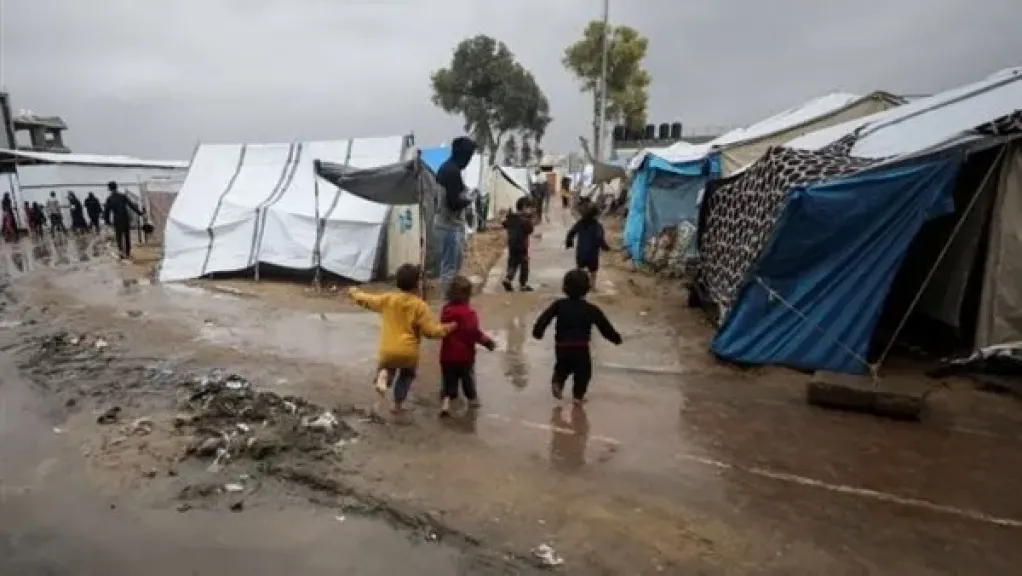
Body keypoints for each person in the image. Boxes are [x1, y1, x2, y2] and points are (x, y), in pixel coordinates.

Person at [347, 263, 456, 414]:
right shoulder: (420, 306)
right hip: (408, 353)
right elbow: (430, 332)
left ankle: (384, 376)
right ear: (417, 284)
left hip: (388, 350)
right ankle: (397, 405)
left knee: (387, 367)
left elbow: (367, 300)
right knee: (406, 375)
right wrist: (448, 328)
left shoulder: (388, 299)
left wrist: (354, 292)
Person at [532, 269, 622, 405]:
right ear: (587, 289)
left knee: (562, 367)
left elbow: (544, 319)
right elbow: (605, 327)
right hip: (581, 347)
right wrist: (616, 339)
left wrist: (538, 332)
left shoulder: (559, 305)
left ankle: (558, 382)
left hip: (562, 346)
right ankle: (578, 396)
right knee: (583, 372)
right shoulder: (591, 309)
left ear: (564, 287)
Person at [438, 275, 496, 417]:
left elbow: (442, 328)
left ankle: (445, 404)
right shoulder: (469, 313)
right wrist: (487, 342)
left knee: (448, 381)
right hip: (465, 357)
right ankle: (472, 399)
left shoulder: (446, 310)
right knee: (467, 380)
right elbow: (474, 333)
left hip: (447, 356)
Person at [435, 137, 478, 296]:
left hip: (448, 224)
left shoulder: (448, 168)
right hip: (449, 224)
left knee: (452, 265)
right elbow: (453, 203)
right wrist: (469, 199)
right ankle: (449, 301)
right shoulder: (451, 172)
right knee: (450, 268)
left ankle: (451, 300)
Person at [565, 202, 611, 288]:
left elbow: (571, 233)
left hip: (581, 253)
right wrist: (606, 248)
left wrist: (569, 243)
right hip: (592, 254)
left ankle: (579, 285)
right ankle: (593, 286)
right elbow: (600, 239)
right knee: (593, 272)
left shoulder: (580, 223)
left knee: (580, 270)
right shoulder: (598, 226)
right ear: (596, 215)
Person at [501, 196, 535, 292]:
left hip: (512, 245)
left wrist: (509, 216)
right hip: (522, 247)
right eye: (529, 208)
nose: (531, 210)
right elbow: (530, 230)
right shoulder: (525, 221)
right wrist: (530, 218)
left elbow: (504, 224)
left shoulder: (512, 218)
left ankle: (508, 279)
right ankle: (523, 284)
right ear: (524, 207)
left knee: (513, 264)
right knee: (524, 265)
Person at [103, 182, 143, 259]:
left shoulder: (109, 199)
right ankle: (128, 253)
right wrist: (140, 213)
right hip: (125, 219)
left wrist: (107, 221)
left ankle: (121, 254)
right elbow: (131, 205)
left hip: (117, 220)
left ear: (110, 189)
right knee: (127, 236)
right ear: (116, 187)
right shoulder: (123, 196)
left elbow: (107, 211)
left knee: (119, 237)